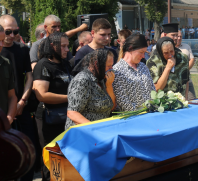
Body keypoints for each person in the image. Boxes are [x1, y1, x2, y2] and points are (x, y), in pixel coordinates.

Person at [0, 15, 37, 181]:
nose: (12, 35)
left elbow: (29, 77)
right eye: (8, 31)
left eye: (15, 31)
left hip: (21, 105)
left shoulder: (22, 49)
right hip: (4, 111)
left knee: (28, 147)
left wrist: (22, 100)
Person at [33, 32, 72, 180]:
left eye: (67, 46)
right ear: (52, 46)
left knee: (65, 159)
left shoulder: (66, 64)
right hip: (49, 119)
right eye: (63, 46)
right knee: (52, 161)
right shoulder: (43, 65)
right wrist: (70, 98)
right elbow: (41, 95)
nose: (67, 49)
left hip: (66, 118)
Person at [65, 49, 115, 130]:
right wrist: (95, 129)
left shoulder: (101, 79)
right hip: (83, 133)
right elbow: (72, 113)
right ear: (97, 64)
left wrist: (109, 86)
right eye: (109, 66)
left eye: (112, 65)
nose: (111, 69)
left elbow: (112, 107)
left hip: (100, 131)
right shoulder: (82, 80)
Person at [113, 35, 155, 111]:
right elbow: (122, 100)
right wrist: (140, 113)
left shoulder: (143, 66)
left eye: (144, 53)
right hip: (132, 117)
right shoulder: (117, 70)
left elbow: (152, 89)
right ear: (130, 49)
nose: (143, 56)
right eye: (141, 52)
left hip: (150, 113)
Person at [0, 24, 18, 126]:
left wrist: (9, 117)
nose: (1, 44)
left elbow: (12, 96)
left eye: (2, 40)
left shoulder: (6, 63)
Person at [176, 33, 196, 100]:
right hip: (174, 79)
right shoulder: (170, 47)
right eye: (177, 36)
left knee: (192, 99)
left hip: (186, 77)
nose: (179, 38)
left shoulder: (186, 46)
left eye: (180, 36)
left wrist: (185, 71)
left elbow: (192, 59)